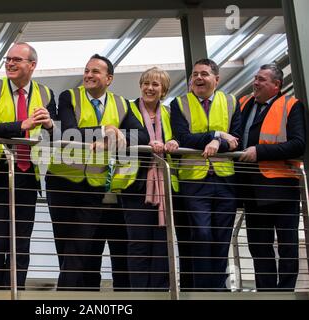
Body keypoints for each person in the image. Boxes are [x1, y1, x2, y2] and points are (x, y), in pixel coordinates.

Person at [46, 54, 149, 290]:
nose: (88, 75)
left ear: (109, 78)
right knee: (65, 246)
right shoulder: (69, 96)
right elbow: (69, 132)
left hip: (94, 185)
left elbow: (142, 136)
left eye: (95, 72)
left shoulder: (122, 104)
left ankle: (65, 297)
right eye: (87, 70)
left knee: (80, 246)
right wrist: (105, 129)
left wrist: (115, 137)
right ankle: (72, 295)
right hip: (61, 182)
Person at [0, 42, 56, 290]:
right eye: (7, 59)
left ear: (32, 65)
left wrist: (50, 125)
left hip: (26, 177)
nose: (9, 63)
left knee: (21, 244)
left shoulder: (46, 93)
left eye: (16, 60)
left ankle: (16, 294)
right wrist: (24, 123)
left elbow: (59, 136)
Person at [170, 58, 241, 290]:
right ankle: (203, 291)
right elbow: (183, 138)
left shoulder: (231, 101)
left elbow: (238, 139)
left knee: (222, 237)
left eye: (204, 74)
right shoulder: (179, 104)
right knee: (201, 233)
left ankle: (217, 290)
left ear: (216, 79)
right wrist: (217, 135)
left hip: (224, 180)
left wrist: (217, 144)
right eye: (194, 74)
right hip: (193, 181)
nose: (198, 78)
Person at [238, 64, 306, 291]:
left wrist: (260, 151)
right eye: (255, 78)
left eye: (262, 80)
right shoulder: (243, 103)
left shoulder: (291, 106)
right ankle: (266, 293)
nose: (255, 83)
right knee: (258, 246)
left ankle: (285, 292)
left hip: (281, 186)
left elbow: (298, 145)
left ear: (276, 85)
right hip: (251, 188)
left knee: (287, 245)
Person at [120, 67, 179, 291]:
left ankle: (160, 293)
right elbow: (121, 134)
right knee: (139, 244)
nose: (149, 88)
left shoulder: (169, 113)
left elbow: (177, 136)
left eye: (155, 84)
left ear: (163, 90)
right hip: (136, 186)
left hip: (164, 188)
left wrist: (172, 141)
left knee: (162, 245)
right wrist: (146, 143)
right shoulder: (128, 109)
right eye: (146, 83)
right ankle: (140, 294)